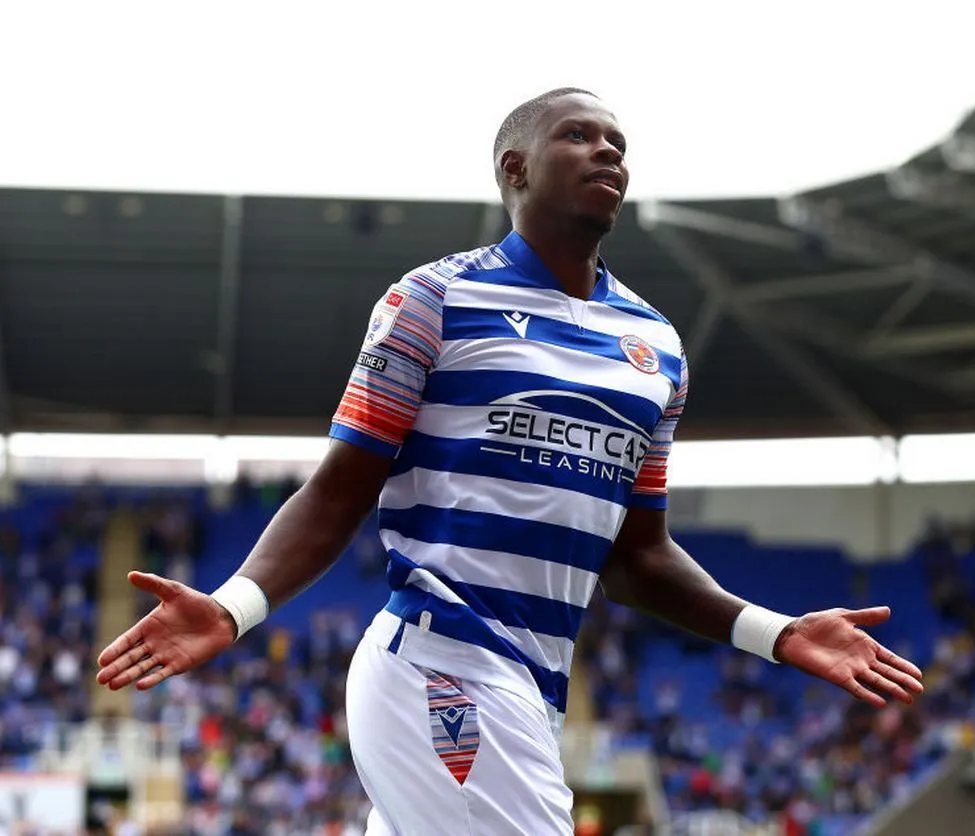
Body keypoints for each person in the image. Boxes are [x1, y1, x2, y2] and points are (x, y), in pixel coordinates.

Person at [97, 87, 924, 834]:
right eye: (579, 135)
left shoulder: (656, 346)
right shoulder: (435, 300)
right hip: (443, 661)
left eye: (618, 143)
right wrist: (234, 607)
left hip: (533, 688)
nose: (608, 151)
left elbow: (637, 558)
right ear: (515, 168)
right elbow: (338, 491)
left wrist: (778, 633)